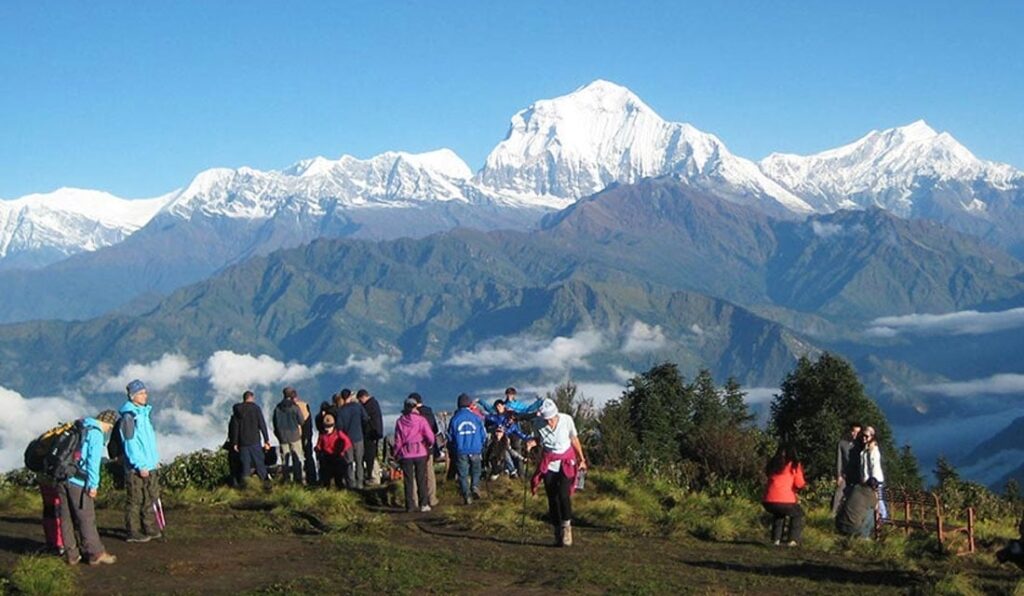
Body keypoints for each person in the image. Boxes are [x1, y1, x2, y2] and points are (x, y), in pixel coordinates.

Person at [59, 409, 119, 565]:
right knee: (86, 518)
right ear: (108, 423)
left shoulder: (80, 426)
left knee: (66, 518)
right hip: (78, 481)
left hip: (62, 476)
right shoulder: (96, 433)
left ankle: (71, 554)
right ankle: (95, 553)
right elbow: (93, 462)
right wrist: (93, 485)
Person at [528, 399, 587, 547]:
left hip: (567, 460)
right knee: (552, 497)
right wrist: (532, 443)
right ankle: (556, 531)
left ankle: (566, 528)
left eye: (551, 418)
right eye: (546, 419)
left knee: (563, 495)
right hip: (549, 462)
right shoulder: (538, 424)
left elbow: (574, 439)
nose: (548, 422)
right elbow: (538, 439)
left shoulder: (567, 420)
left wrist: (581, 458)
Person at [119, 379, 162, 543]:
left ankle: (149, 526)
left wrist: (153, 461)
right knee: (136, 498)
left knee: (149, 496)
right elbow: (130, 444)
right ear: (133, 396)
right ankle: (133, 531)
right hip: (136, 467)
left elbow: (148, 442)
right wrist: (139, 464)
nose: (146, 395)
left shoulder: (143, 415)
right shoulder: (130, 418)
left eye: (145, 392)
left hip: (149, 465)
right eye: (142, 393)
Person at [394, 397, 436, 512]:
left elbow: (398, 440)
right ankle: (423, 504)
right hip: (420, 452)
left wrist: (396, 453)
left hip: (406, 453)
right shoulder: (421, 420)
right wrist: (429, 444)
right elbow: (430, 436)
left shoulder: (400, 421)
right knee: (421, 478)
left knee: (408, 480)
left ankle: (410, 505)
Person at [762, 445, 806, 547]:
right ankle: (792, 540)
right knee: (798, 514)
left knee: (779, 514)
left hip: (768, 500)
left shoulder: (773, 464)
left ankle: (776, 539)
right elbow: (799, 483)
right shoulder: (794, 465)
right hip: (786, 500)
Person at [448, 393, 487, 505]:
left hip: (461, 450)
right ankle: (475, 486)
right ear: (470, 404)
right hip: (475, 449)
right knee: (476, 470)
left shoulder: (454, 419)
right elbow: (483, 434)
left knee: (463, 474)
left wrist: (454, 447)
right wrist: (481, 445)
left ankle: (466, 495)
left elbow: (450, 436)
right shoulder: (476, 418)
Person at [230, 390, 272, 488]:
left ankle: (245, 486)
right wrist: (266, 439)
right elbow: (262, 424)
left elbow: (235, 428)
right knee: (259, 463)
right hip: (254, 441)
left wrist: (235, 443)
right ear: (251, 398)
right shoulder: (256, 408)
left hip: (243, 442)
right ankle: (266, 485)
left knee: (245, 466)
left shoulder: (237, 410)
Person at [484, 400, 529, 479]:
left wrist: (530, 439)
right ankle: (487, 469)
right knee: (489, 451)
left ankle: (511, 471)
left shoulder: (513, 426)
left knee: (506, 452)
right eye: (497, 407)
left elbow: (521, 435)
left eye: (513, 419)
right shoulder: (495, 417)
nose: (511, 420)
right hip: (494, 440)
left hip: (504, 441)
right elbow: (484, 417)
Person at [410, 393, 441, 507]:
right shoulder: (429, 412)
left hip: (414, 449)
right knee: (429, 474)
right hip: (428, 448)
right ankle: (431, 498)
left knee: (414, 474)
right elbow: (435, 430)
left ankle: (415, 499)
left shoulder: (411, 415)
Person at [336, 389, 369, 489]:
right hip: (358, 437)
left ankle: (351, 484)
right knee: (359, 462)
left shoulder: (341, 411)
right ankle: (360, 483)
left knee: (349, 462)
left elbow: (339, 427)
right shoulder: (358, 407)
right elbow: (365, 418)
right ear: (350, 396)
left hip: (347, 440)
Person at [272, 387, 305, 484]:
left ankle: (287, 479)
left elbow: (275, 423)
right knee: (297, 458)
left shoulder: (277, 408)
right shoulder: (295, 407)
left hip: (282, 436)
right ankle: (298, 479)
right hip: (294, 436)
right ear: (292, 395)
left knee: (284, 460)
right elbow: (301, 421)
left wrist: (278, 434)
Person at [315, 413, 352, 489]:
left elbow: (348, 443)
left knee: (338, 480)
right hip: (327, 459)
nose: (327, 429)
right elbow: (319, 445)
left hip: (337, 458)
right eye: (325, 426)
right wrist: (317, 449)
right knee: (326, 480)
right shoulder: (323, 435)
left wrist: (341, 451)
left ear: (334, 426)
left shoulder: (339, 434)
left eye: (329, 427)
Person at [832, 422, 862, 516]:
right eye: (853, 431)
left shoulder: (861, 444)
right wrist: (839, 475)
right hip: (845, 474)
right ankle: (833, 514)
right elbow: (839, 460)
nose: (855, 434)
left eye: (858, 432)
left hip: (858, 474)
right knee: (839, 493)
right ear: (850, 431)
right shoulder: (842, 443)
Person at [357, 389, 384, 486]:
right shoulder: (374, 404)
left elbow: (365, 419)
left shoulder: (369, 406)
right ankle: (373, 476)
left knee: (370, 456)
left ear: (363, 397)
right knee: (372, 456)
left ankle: (373, 477)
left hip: (370, 434)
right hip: (374, 433)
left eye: (360, 400)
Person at [860, 426, 887, 519]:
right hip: (868, 481)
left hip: (874, 482)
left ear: (872, 437)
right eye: (863, 435)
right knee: (872, 502)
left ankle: (883, 519)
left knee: (878, 501)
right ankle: (876, 522)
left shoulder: (873, 450)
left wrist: (873, 481)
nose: (864, 438)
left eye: (866, 436)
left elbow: (874, 466)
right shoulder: (865, 450)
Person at [294, 391, 317, 486]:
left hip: (295, 436)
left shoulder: (289, 408)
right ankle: (311, 478)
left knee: (297, 458)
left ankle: (298, 479)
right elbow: (308, 423)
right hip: (307, 435)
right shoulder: (304, 406)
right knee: (308, 456)